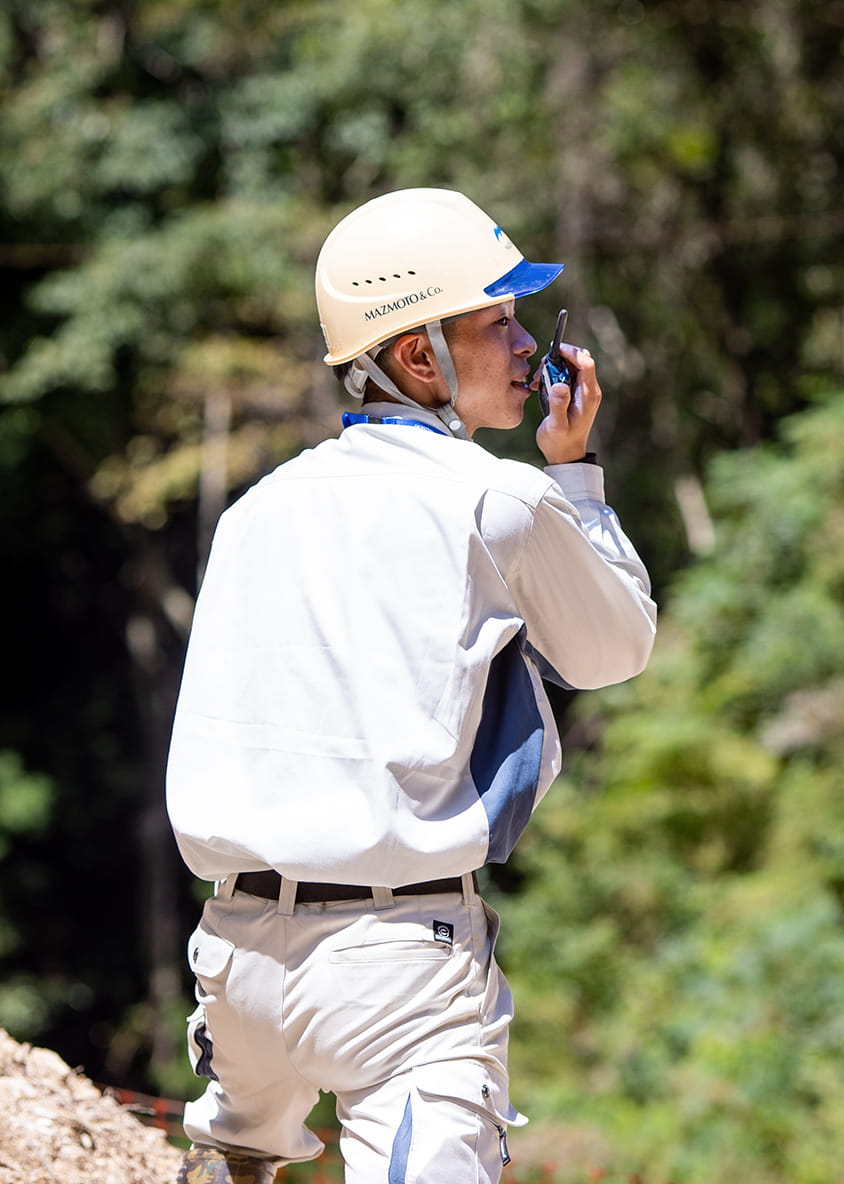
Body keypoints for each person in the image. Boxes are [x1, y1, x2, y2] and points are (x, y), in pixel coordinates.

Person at [165, 188, 657, 1184]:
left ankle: (235, 1144)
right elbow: (614, 648)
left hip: (232, 957)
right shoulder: (498, 497)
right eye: (498, 322)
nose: (527, 345)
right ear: (420, 357)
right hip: (399, 963)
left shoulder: (256, 511)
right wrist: (576, 476)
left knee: (237, 1154)